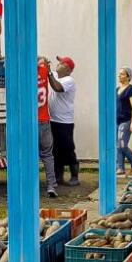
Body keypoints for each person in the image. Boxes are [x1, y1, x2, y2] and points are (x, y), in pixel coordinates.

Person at [48, 55, 79, 186]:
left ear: (68, 69)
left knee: (68, 149)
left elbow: (57, 88)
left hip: (65, 123)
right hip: (53, 120)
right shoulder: (55, 75)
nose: (58, 65)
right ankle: (58, 176)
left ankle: (74, 176)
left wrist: (49, 74)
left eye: (61, 64)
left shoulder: (69, 80)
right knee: (55, 150)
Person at [36, 56, 57, 198]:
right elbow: (44, 62)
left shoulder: (26, 74)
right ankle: (51, 185)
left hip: (30, 123)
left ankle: (31, 186)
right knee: (48, 155)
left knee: (30, 155)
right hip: (44, 120)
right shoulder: (44, 71)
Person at [116, 66, 132, 177]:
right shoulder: (117, 89)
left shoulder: (131, 89)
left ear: (128, 77)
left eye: (122, 74)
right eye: (119, 73)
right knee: (118, 145)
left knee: (122, 145)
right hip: (117, 121)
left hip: (127, 120)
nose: (119, 75)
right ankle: (120, 168)